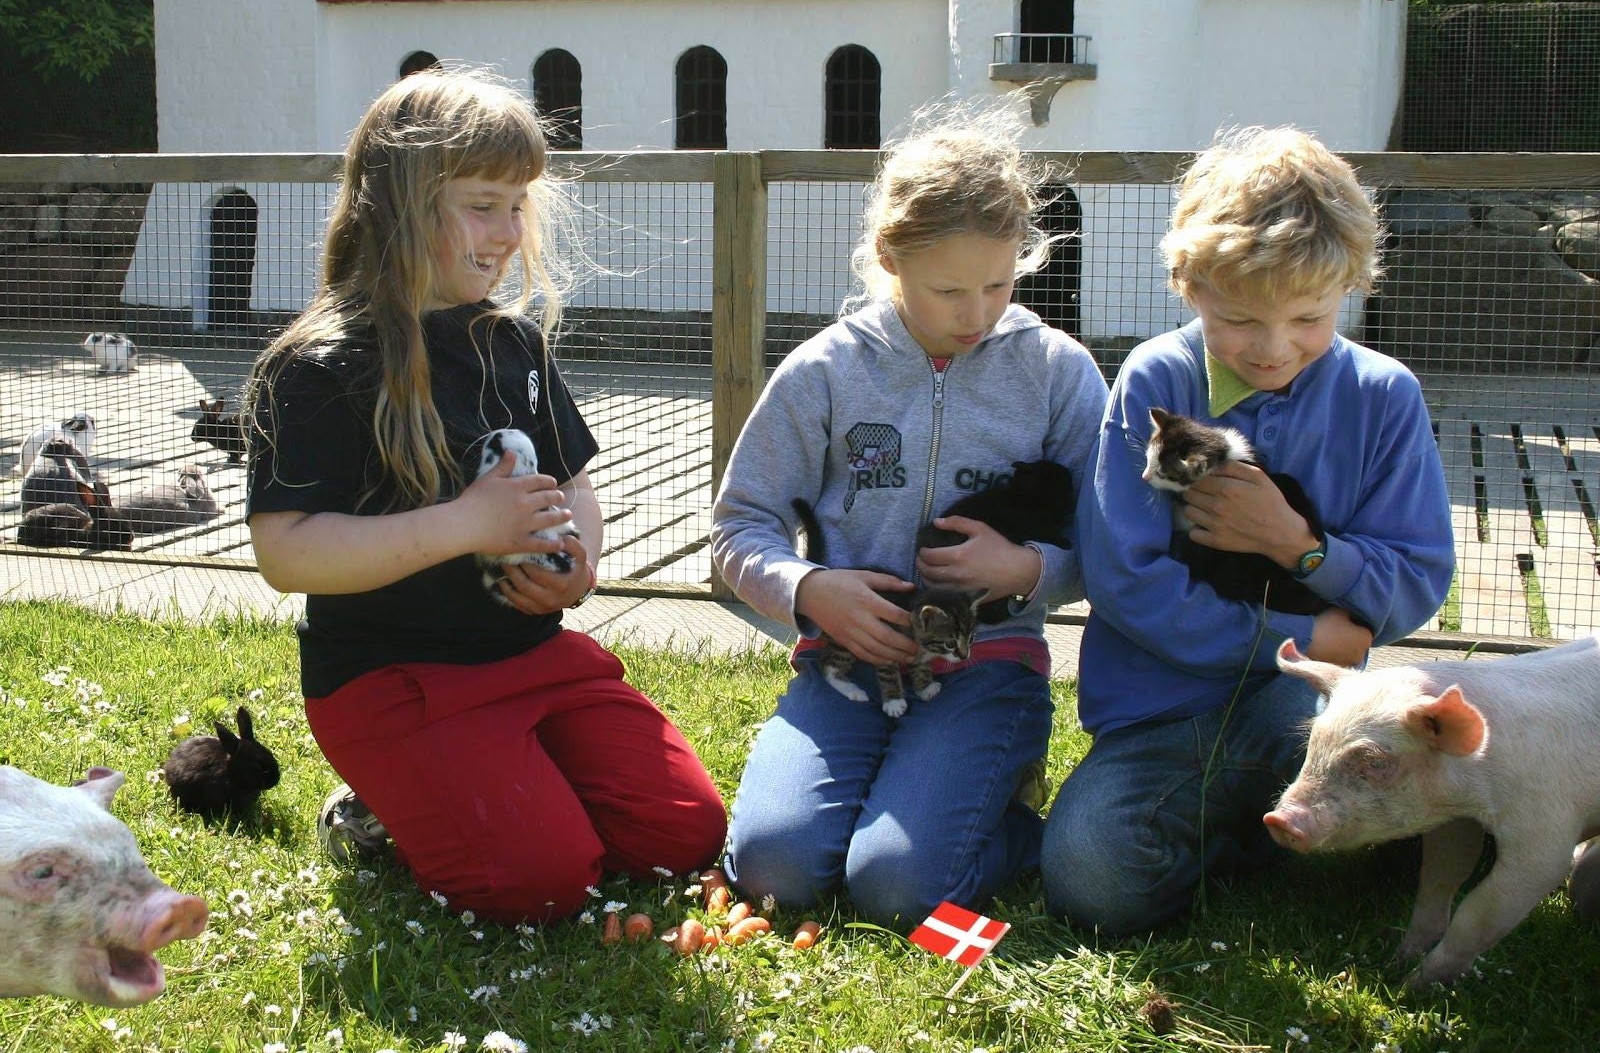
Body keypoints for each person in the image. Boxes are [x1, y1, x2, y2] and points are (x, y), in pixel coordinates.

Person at [244, 67, 726, 924]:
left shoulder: (515, 344)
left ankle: (504, 785)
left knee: (683, 831)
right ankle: (386, 811)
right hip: (395, 679)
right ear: (398, 204)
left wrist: (578, 567)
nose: (508, 231)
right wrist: (466, 524)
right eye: (482, 204)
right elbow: (287, 551)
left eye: (518, 206)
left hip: (535, 659)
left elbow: (574, 482)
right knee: (538, 884)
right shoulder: (320, 364)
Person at [1041, 126, 1455, 933]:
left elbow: (1414, 580)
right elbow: (1126, 578)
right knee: (1091, 881)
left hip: (1303, 711)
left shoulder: (1384, 395)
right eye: (1239, 319)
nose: (1273, 349)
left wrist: (1297, 543)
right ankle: (1258, 837)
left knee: (1381, 766)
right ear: (1190, 286)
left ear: (1350, 286)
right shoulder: (1156, 378)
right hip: (1161, 715)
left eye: (1308, 317)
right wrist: (1303, 638)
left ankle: (1246, 826)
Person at [709, 105, 1109, 927]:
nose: (978, 313)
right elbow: (738, 526)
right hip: (844, 670)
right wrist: (810, 588)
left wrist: (1028, 570)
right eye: (949, 290)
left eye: (999, 284)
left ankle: (1012, 825)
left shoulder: (1058, 373)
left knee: (896, 889)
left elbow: (1113, 546)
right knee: (771, 867)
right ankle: (917, 800)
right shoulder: (825, 370)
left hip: (988, 670)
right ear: (890, 260)